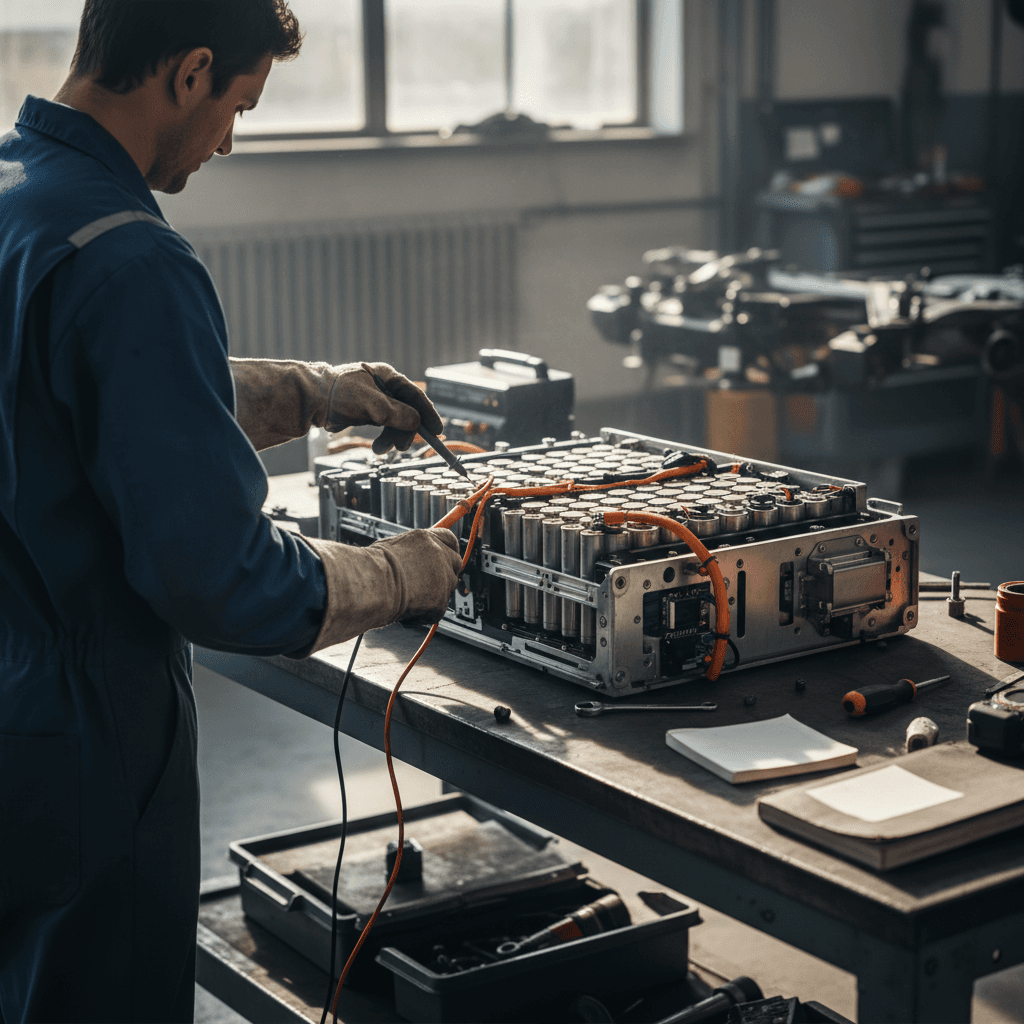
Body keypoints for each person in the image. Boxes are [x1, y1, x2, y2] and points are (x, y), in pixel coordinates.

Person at [0, 1, 462, 1020]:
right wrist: (404, 572)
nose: (228, 139)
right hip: (91, 738)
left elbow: (75, 401)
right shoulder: (133, 255)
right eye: (239, 106)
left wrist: (314, 390)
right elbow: (225, 580)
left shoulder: (19, 199)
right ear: (192, 70)